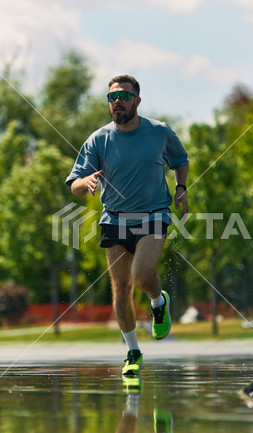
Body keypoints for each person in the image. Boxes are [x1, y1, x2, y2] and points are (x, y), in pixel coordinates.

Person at [65, 75, 189, 375]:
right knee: (121, 289)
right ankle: (133, 352)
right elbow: (75, 185)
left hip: (153, 214)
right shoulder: (98, 139)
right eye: (111, 97)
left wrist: (181, 188)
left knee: (142, 274)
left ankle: (159, 302)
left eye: (122, 96)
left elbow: (180, 159)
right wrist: (86, 181)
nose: (116, 101)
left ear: (137, 100)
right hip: (114, 219)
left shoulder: (159, 132)